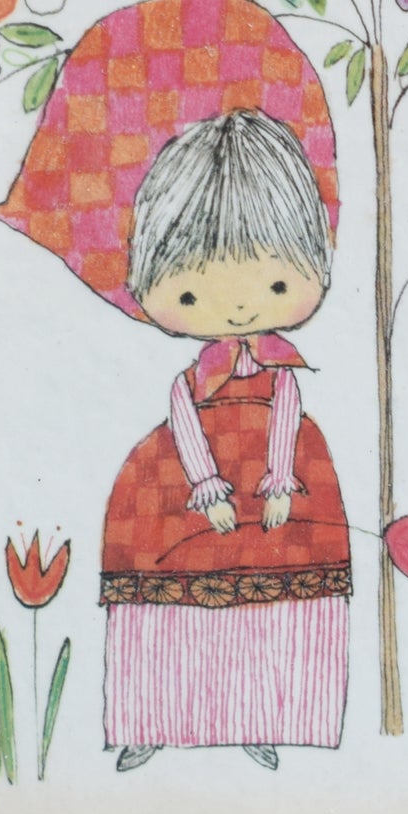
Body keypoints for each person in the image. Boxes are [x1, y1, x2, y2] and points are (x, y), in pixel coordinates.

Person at [99, 108, 350, 771]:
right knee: (160, 592)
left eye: (275, 283)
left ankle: (260, 713)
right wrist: (207, 484)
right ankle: (152, 716)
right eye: (192, 291)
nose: (239, 308)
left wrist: (279, 480)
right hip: (181, 477)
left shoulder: (280, 374)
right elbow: (182, 409)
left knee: (276, 585)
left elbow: (287, 408)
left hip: (277, 477)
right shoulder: (193, 381)